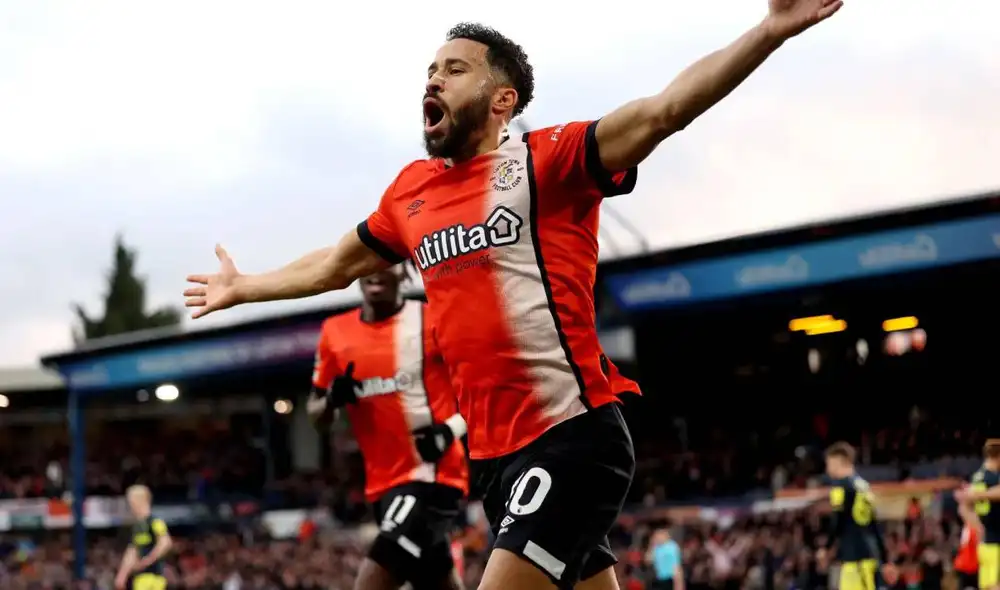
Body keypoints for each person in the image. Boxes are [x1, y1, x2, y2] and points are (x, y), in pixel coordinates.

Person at [184, 2, 844, 587]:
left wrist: (768, 32)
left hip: (570, 439)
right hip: (495, 462)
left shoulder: (545, 163)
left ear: (502, 100)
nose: (433, 78)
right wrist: (245, 287)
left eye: (455, 68)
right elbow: (335, 264)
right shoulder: (409, 193)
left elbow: (663, 111)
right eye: (431, 69)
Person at [308, 263, 468, 590]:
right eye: (367, 263)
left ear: (405, 271)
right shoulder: (335, 332)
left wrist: (448, 430)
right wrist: (331, 401)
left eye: (386, 263)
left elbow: (481, 389)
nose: (375, 271)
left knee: (372, 582)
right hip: (382, 487)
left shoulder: (432, 318)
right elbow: (316, 414)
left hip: (433, 477)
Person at [824, 442, 894, 590]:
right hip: (869, 554)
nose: (828, 469)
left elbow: (837, 519)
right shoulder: (864, 486)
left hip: (855, 556)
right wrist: (884, 557)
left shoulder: (840, 486)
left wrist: (826, 547)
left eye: (829, 463)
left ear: (839, 461)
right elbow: (874, 525)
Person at [956, 439, 1000, 590]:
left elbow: (963, 507)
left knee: (988, 585)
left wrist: (978, 526)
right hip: (996, 542)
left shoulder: (977, 477)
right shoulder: (993, 477)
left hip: (986, 542)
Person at [114, 485, 172, 590]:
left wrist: (146, 561)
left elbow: (165, 542)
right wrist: (122, 574)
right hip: (141, 578)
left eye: (131, 502)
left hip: (154, 577)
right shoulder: (137, 527)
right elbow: (132, 550)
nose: (130, 506)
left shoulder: (154, 521)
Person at [955, 489, 981, 590]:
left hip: (973, 569)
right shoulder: (966, 526)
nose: (959, 510)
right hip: (964, 568)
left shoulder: (976, 526)